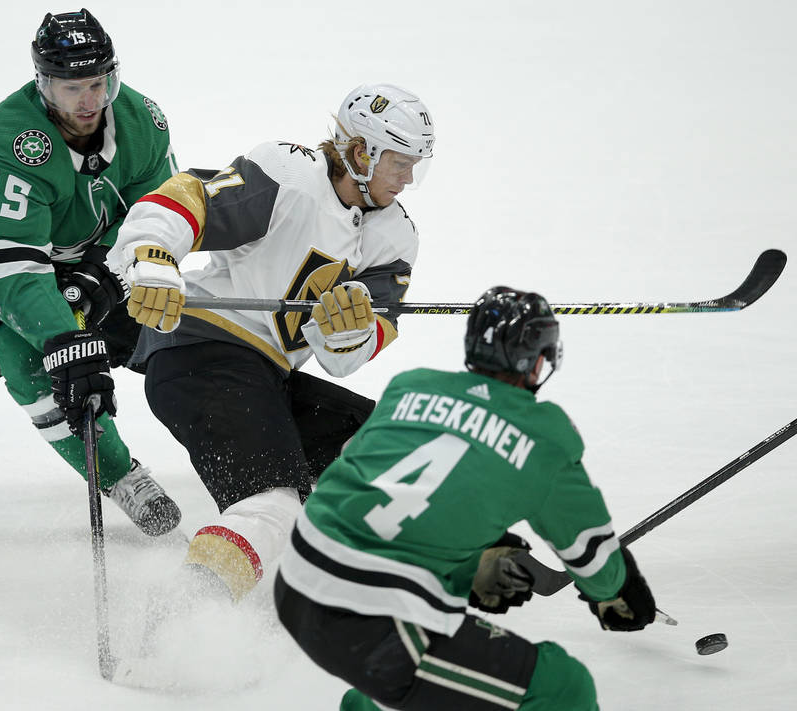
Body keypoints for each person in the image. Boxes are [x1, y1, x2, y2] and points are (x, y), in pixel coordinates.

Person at [47, 83, 434, 598]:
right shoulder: (291, 176)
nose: (408, 179)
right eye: (399, 163)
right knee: (272, 504)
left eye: (415, 165)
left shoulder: (394, 236)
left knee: (397, 453)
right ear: (361, 152)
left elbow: (347, 356)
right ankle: (176, 635)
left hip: (268, 376)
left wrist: (348, 331)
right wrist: (153, 256)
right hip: (199, 357)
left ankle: (433, 569)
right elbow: (187, 199)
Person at [273, 286, 658, 710]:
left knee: (436, 677)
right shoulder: (544, 435)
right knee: (564, 686)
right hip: (369, 621)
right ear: (537, 360)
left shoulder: (410, 387)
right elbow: (592, 556)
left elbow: (362, 483)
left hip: (295, 581)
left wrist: (473, 556)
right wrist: (620, 594)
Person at [0, 9, 181, 536]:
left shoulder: (142, 121)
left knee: (155, 317)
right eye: (71, 87)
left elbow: (157, 217)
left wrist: (104, 275)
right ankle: (120, 475)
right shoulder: (13, 144)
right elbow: (13, 273)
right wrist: (67, 342)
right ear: (44, 85)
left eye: (98, 83)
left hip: (72, 246)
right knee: (31, 360)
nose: (88, 102)